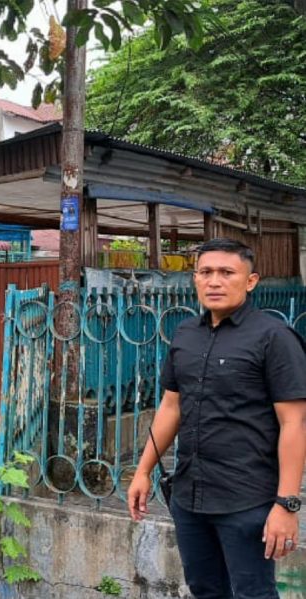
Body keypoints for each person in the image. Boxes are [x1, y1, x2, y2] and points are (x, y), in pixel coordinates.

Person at [128, 238, 306, 599]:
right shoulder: (185, 335)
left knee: (253, 593)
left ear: (251, 281)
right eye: (206, 272)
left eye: (227, 273)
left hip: (247, 500)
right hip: (189, 497)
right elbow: (170, 408)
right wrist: (143, 471)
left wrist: (286, 504)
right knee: (205, 589)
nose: (214, 281)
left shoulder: (274, 338)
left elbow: (295, 424)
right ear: (194, 279)